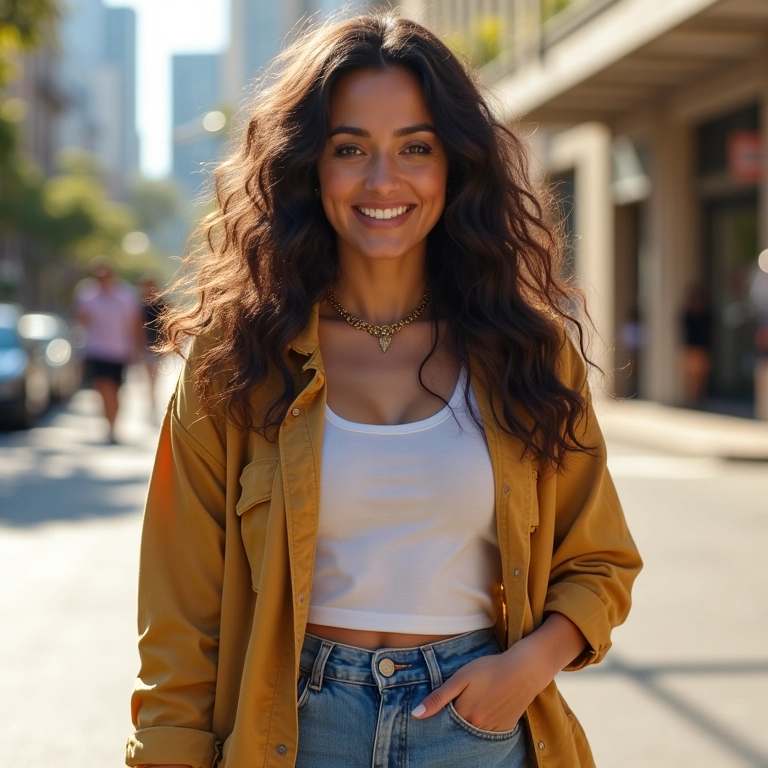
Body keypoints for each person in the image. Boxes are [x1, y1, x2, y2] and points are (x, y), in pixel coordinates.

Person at [126, 14, 642, 768]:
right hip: (292, 729)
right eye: (349, 149)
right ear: (308, 167)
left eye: (415, 148)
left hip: (477, 724)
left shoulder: (527, 350)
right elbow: (179, 617)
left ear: (454, 166)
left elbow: (600, 563)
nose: (382, 180)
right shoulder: (234, 359)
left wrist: (523, 672)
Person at [74, 259, 143, 443]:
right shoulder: (87, 295)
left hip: (119, 350)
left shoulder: (126, 295)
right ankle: (108, 425)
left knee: (115, 390)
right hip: (96, 349)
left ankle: (114, 426)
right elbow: (81, 320)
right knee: (102, 388)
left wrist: (137, 348)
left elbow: (135, 324)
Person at [138, 274, 167, 419]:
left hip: (158, 346)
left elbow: (167, 326)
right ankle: (151, 403)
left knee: (154, 376)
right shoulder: (139, 305)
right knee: (148, 377)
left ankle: (153, 402)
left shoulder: (162, 304)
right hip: (145, 347)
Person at [680, 283, 712, 407]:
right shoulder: (688, 314)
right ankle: (691, 400)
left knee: (701, 376)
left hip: (702, 348)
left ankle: (699, 398)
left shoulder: (706, 314)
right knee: (691, 376)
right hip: (691, 348)